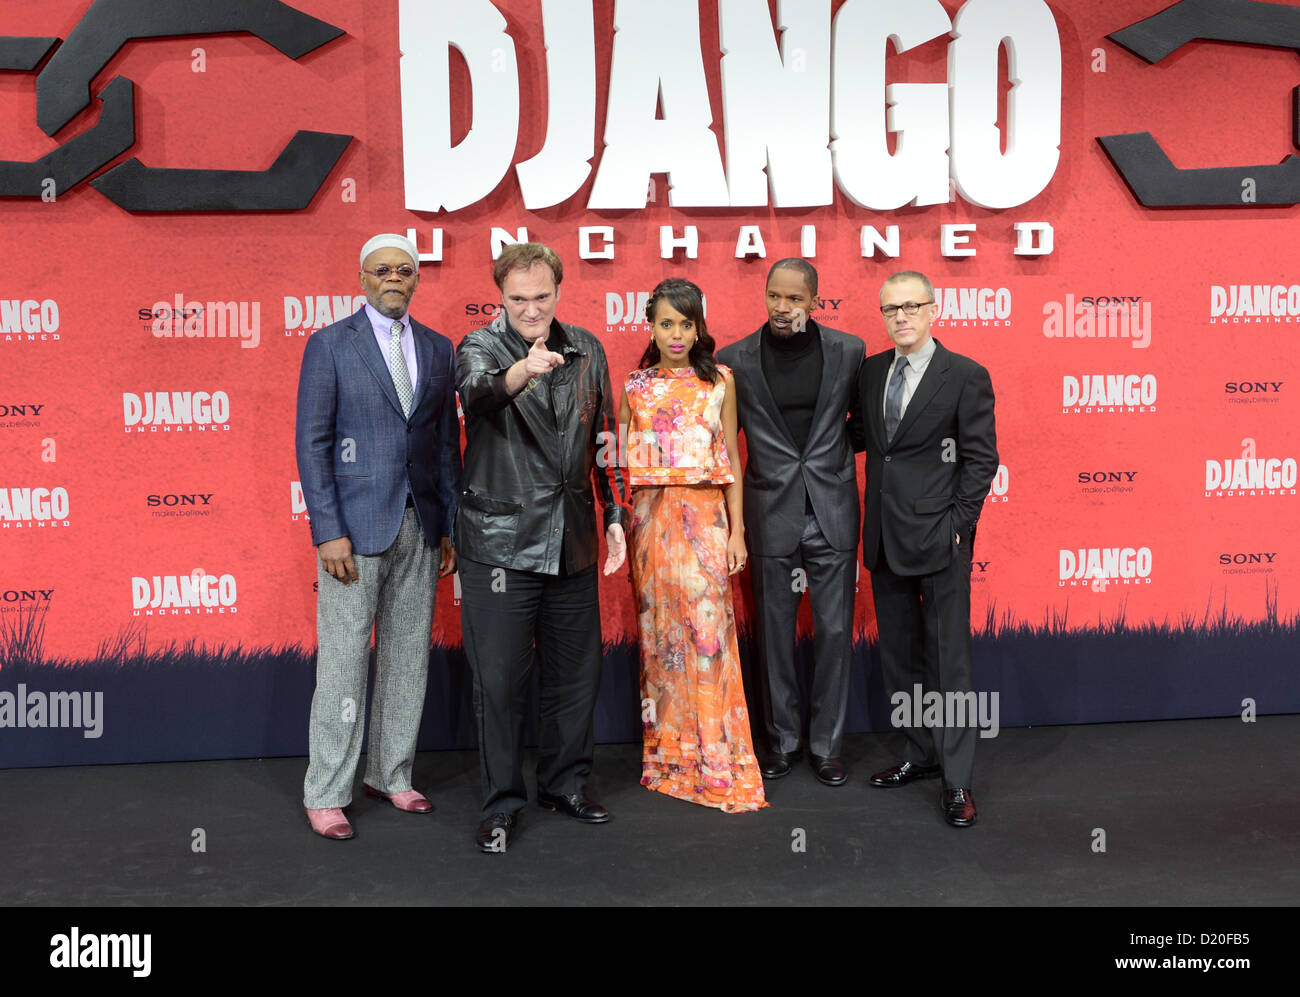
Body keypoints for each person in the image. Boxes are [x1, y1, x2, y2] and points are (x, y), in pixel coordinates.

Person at [455, 242, 628, 852]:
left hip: (573, 539)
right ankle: (502, 804)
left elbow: (607, 435)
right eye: (518, 300)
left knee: (575, 677)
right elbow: (477, 395)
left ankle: (566, 784)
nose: (531, 310)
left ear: (558, 291)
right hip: (499, 544)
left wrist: (616, 515)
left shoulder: (588, 348)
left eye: (541, 297)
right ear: (501, 297)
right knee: (498, 684)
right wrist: (522, 371)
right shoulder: (479, 347)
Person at [294, 233, 461, 840]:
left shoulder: (439, 349)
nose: (394, 278)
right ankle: (326, 791)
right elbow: (313, 445)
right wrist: (328, 531)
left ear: (416, 280)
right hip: (353, 534)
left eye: (404, 270)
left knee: (407, 657)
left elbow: (445, 448)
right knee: (341, 664)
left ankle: (391, 773)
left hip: (421, 525)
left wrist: (447, 529)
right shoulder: (330, 345)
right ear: (362, 278)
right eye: (381, 269)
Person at [849, 270, 998, 827]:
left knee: (949, 664)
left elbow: (981, 459)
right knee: (900, 660)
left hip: (940, 540)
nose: (901, 317)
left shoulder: (964, 375)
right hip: (885, 538)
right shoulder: (870, 372)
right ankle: (919, 752)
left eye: (912, 307)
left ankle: (958, 781)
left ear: (934, 310)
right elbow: (864, 441)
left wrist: (959, 526)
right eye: (891, 309)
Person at [618, 278, 767, 814]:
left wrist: (738, 530)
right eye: (665, 323)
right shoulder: (635, 386)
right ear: (650, 326)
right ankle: (669, 759)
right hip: (650, 524)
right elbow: (617, 467)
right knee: (662, 642)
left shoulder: (720, 381)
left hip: (704, 521)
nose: (676, 334)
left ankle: (717, 761)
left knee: (708, 641)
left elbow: (730, 459)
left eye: (686, 323)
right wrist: (618, 523)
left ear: (699, 326)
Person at [717, 259, 865, 787]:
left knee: (832, 632)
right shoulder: (733, 359)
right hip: (768, 511)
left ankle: (827, 747)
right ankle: (781, 741)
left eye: (795, 299)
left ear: (815, 301)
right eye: (774, 296)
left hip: (833, 510)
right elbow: (726, 447)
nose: (783, 308)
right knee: (774, 636)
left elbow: (862, 424)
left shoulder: (850, 351)